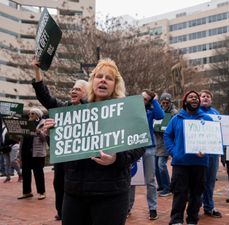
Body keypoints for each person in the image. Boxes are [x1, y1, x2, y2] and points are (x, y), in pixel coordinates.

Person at [43, 58, 145, 225]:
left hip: (111, 195)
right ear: (92, 82)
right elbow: (66, 150)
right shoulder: (74, 111)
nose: (103, 80)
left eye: (109, 78)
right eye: (99, 76)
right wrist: (51, 135)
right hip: (74, 193)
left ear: (115, 85)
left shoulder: (126, 112)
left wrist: (116, 158)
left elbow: (139, 146)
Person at [31, 58, 88, 220]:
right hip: (63, 160)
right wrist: (37, 71)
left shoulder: (92, 111)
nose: (73, 91)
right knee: (59, 184)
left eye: (78, 89)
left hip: (82, 162)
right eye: (73, 88)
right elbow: (44, 96)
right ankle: (61, 212)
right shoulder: (63, 108)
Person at [164, 90, 212, 225]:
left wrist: (206, 150)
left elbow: (214, 139)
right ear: (185, 101)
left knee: (197, 195)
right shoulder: (176, 119)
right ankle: (176, 220)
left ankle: (192, 220)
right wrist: (174, 152)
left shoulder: (207, 119)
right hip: (180, 163)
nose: (194, 99)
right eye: (191, 97)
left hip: (200, 163)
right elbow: (167, 135)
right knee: (180, 193)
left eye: (196, 97)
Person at [128, 89, 165, 220]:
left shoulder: (151, 110)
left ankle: (152, 208)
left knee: (150, 180)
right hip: (133, 147)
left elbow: (161, 116)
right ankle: (128, 206)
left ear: (148, 101)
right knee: (132, 179)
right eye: (141, 97)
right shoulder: (132, 109)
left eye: (145, 99)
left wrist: (155, 100)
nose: (142, 100)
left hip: (148, 148)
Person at [198, 90, 222, 218]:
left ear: (211, 100)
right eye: (203, 96)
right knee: (198, 181)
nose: (206, 98)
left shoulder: (216, 113)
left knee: (210, 181)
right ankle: (195, 206)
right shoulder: (195, 112)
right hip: (199, 153)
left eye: (208, 96)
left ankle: (209, 207)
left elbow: (223, 130)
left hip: (212, 153)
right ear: (199, 99)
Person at [18, 107, 47, 200]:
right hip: (25, 152)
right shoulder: (25, 124)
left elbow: (45, 138)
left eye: (32, 113)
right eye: (30, 113)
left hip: (37, 153)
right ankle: (27, 192)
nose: (30, 115)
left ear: (38, 115)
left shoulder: (43, 124)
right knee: (26, 173)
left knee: (38, 173)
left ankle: (42, 192)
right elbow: (21, 140)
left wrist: (38, 131)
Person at [155, 92, 177, 197]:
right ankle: (161, 185)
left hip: (165, 142)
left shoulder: (174, 113)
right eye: (163, 102)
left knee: (161, 165)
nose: (164, 105)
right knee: (156, 167)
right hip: (156, 141)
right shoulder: (158, 110)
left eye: (167, 102)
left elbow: (175, 127)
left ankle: (168, 187)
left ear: (170, 102)